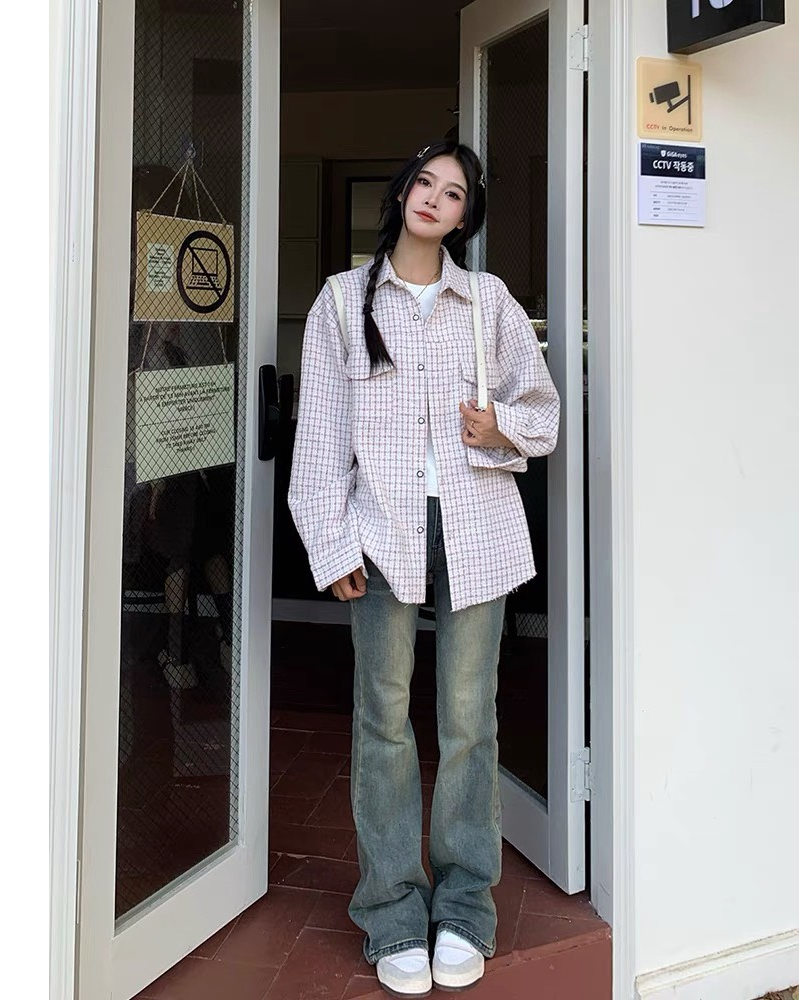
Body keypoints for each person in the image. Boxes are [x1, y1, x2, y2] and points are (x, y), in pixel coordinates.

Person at [287, 140, 560, 996]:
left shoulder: (489, 301)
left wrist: (498, 426)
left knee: (469, 720)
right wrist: (332, 545)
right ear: (403, 191)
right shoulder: (343, 302)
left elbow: (543, 412)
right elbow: (320, 436)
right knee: (383, 719)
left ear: (465, 217)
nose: (435, 198)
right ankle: (393, 911)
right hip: (381, 530)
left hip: (476, 527)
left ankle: (466, 907)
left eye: (455, 193)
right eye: (426, 182)